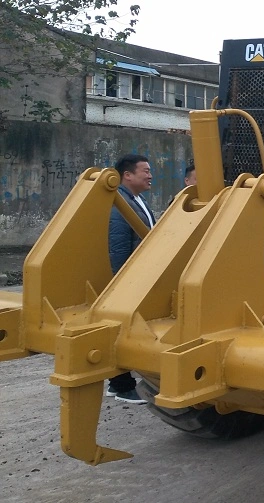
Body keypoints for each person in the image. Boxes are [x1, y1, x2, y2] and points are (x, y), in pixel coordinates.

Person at [105, 153, 155, 404]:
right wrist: (123, 279)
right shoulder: (119, 204)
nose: (150, 175)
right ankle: (121, 384)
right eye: (145, 171)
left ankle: (120, 382)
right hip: (129, 277)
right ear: (127, 175)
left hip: (140, 275)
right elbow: (119, 245)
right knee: (123, 328)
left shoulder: (137, 199)